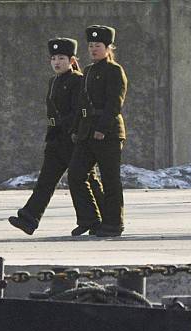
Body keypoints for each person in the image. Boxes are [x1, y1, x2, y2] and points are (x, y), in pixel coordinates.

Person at [8, 38, 103, 236]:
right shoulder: (54, 81)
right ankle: (29, 218)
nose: (57, 62)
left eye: (61, 58)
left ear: (71, 60)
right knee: (46, 179)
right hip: (56, 140)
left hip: (73, 139)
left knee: (85, 180)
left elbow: (80, 110)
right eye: (53, 58)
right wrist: (52, 134)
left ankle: (98, 219)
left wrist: (75, 133)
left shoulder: (78, 80)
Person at [67, 25, 128, 237]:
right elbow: (82, 103)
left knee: (111, 179)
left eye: (98, 46)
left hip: (108, 132)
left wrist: (102, 128)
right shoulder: (89, 71)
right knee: (75, 174)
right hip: (86, 131)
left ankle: (113, 223)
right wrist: (76, 129)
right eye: (91, 46)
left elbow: (114, 103)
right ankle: (90, 219)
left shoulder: (114, 70)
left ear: (108, 47)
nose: (93, 49)